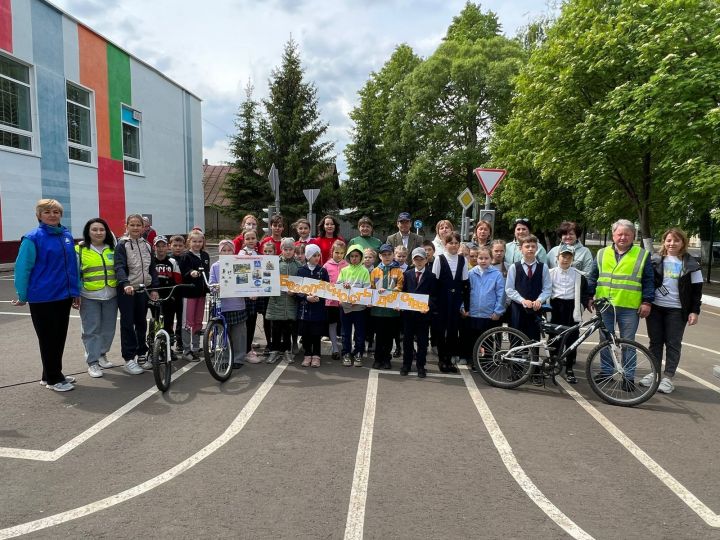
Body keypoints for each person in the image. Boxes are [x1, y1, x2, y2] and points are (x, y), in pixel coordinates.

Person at [13, 199, 81, 391]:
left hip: (63, 296)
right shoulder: (32, 238)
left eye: (56, 212)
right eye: (47, 212)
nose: (52, 215)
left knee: (59, 336)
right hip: (43, 297)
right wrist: (22, 295)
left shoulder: (66, 235)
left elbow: (72, 268)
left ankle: (50, 373)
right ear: (39, 215)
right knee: (48, 338)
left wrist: (75, 291)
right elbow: (22, 268)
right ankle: (54, 379)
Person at [587, 219, 655, 390]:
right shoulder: (602, 253)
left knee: (627, 343)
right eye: (619, 234)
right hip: (605, 306)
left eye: (627, 234)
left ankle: (628, 377)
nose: (623, 237)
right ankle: (607, 372)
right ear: (613, 235)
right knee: (605, 341)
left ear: (633, 235)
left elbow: (648, 280)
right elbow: (592, 276)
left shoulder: (642, 254)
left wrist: (647, 302)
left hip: (629, 307)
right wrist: (588, 296)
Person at [640, 228, 702, 394]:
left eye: (676, 240)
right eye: (668, 240)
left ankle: (668, 378)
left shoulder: (692, 264)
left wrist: (694, 311)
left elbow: (697, 290)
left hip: (677, 310)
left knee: (673, 344)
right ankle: (654, 373)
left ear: (683, 242)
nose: (672, 243)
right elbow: (647, 282)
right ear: (664, 242)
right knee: (655, 342)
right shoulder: (655, 260)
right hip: (656, 308)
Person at [114, 214, 159, 374]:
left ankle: (141, 354)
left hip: (143, 289)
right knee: (127, 324)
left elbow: (152, 268)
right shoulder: (121, 245)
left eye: (138, 225)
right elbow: (119, 267)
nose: (135, 228)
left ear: (143, 227)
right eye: (132, 225)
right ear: (126, 226)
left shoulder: (147, 245)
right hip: (127, 291)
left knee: (141, 322)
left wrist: (154, 288)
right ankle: (129, 358)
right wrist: (125, 284)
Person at [75, 218, 118, 379]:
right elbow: (75, 273)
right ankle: (92, 362)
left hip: (111, 296)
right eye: (94, 229)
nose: (98, 232)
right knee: (91, 330)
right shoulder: (79, 250)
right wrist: (75, 294)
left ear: (106, 232)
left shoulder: (113, 249)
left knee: (108, 329)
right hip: (89, 296)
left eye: (101, 229)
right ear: (88, 232)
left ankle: (102, 354)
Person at [549, 245, 590, 384]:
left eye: (568, 257)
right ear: (557, 258)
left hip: (572, 308)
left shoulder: (579, 275)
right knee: (554, 337)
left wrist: (582, 306)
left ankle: (570, 368)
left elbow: (584, 293)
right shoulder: (550, 273)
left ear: (572, 259)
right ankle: (553, 362)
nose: (565, 259)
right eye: (563, 256)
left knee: (572, 338)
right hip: (555, 307)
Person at [460, 245, 505, 364]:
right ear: (476, 259)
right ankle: (472, 360)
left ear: (491, 259)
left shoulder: (497, 275)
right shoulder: (470, 274)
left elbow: (501, 294)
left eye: (486, 258)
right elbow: (464, 293)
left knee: (487, 339)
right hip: (472, 313)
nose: (483, 261)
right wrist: (463, 307)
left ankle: (486, 361)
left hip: (488, 314)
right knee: (472, 338)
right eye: (480, 258)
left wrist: (498, 311)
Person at [431, 232, 468, 373]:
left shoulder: (462, 260)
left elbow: (465, 284)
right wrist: (433, 305)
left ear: (459, 245)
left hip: (456, 301)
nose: (453, 245)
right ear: (445, 245)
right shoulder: (439, 259)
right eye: (450, 243)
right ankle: (442, 360)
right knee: (441, 331)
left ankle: (450, 360)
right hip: (442, 300)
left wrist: (466, 305)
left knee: (453, 332)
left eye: (456, 243)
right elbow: (434, 283)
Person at [505, 234, 552, 341]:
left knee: (534, 338)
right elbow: (509, 289)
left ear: (537, 248)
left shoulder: (543, 267)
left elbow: (547, 288)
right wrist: (522, 300)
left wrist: (539, 300)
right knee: (516, 338)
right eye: (527, 246)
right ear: (520, 249)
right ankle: (515, 356)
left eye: (533, 246)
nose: (530, 249)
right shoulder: (514, 267)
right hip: (518, 308)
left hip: (536, 308)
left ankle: (533, 357)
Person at [209, 240, 247, 369]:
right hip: (222, 307)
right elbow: (211, 285)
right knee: (223, 334)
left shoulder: (239, 263)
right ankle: (225, 358)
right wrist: (215, 287)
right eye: (223, 250)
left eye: (229, 250)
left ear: (233, 251)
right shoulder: (215, 266)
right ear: (219, 252)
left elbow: (246, 281)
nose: (226, 252)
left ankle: (239, 358)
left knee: (239, 335)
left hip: (238, 305)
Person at [401, 247, 437, 378]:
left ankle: (421, 366)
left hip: (423, 315)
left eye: (421, 259)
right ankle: (406, 364)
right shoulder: (407, 274)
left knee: (422, 342)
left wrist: (428, 306)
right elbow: (403, 293)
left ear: (426, 260)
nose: (419, 261)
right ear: (412, 260)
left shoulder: (432, 276)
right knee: (407, 341)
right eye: (416, 259)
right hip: (409, 315)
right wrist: (400, 304)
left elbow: (434, 296)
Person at [266, 238, 301, 364]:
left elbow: (301, 283)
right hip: (276, 301)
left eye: (290, 249)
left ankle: (287, 350)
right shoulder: (274, 263)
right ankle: (274, 350)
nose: (288, 252)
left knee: (287, 327)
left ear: (294, 250)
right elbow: (266, 278)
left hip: (290, 302)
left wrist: (296, 291)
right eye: (285, 249)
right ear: (281, 249)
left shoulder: (298, 265)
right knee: (275, 327)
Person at [370, 244, 404, 370]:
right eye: (384, 255)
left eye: (389, 254)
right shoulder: (375, 271)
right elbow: (372, 288)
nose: (387, 257)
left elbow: (400, 287)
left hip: (392, 311)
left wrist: (388, 291)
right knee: (379, 336)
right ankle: (378, 359)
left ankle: (386, 359)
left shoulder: (399, 271)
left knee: (389, 337)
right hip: (378, 311)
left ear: (393, 255)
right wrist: (378, 291)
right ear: (380, 256)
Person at [178, 228, 210, 361]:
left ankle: (196, 348)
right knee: (187, 323)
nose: (197, 244)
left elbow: (207, 274)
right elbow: (184, 272)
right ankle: (186, 350)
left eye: (200, 241)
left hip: (201, 294)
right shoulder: (186, 256)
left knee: (197, 322)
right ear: (189, 242)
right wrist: (191, 272)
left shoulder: (205, 256)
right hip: (189, 294)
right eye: (194, 241)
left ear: (203, 242)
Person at [296, 244, 329, 367]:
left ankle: (316, 355)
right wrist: (306, 297)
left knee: (316, 333)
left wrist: (319, 296)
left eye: (318, 255)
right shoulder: (301, 271)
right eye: (314, 255)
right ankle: (307, 354)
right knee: (306, 333)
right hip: (305, 308)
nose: (317, 258)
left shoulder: (322, 271)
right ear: (308, 256)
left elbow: (327, 289)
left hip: (318, 308)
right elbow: (297, 290)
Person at [338, 243, 371, 365]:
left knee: (360, 332)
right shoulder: (344, 270)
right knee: (345, 332)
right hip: (345, 306)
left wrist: (357, 300)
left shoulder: (365, 271)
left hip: (359, 307)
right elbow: (338, 286)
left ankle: (358, 353)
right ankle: (346, 353)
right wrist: (343, 285)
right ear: (348, 257)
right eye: (352, 256)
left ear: (361, 257)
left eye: (357, 256)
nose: (354, 258)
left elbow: (366, 289)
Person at [151, 235, 182, 355]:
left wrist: (174, 295)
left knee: (168, 323)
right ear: (154, 247)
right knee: (156, 322)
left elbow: (178, 280)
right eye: (158, 246)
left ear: (167, 247)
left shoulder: (172, 261)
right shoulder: (151, 261)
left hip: (169, 297)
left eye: (163, 246)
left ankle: (168, 349)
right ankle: (155, 348)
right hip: (154, 296)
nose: (161, 249)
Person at [323, 240, 348, 360]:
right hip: (330, 301)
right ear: (332, 251)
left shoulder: (347, 265)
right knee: (332, 324)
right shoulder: (326, 266)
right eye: (336, 252)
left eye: (342, 253)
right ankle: (335, 348)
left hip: (344, 301)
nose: (339, 255)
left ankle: (346, 347)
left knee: (344, 324)